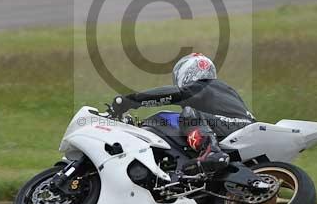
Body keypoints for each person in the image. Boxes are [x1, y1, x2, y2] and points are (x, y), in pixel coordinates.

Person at [109, 53, 255, 174]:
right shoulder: (220, 91)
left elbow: (174, 94)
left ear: (187, 72)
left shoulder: (203, 85)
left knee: (189, 114)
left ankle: (212, 152)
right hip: (241, 128)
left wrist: (131, 100)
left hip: (238, 126)